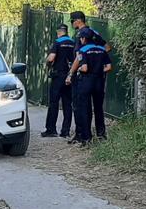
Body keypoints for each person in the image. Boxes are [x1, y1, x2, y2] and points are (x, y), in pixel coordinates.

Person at [65, 11, 111, 140]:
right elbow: (107, 47)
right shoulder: (94, 33)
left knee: (81, 105)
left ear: (78, 21)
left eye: (73, 21)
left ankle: (83, 135)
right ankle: (100, 134)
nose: (72, 24)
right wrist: (98, 61)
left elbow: (79, 58)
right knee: (97, 106)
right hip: (98, 77)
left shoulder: (82, 35)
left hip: (83, 76)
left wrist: (71, 73)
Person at [41, 24, 76, 138]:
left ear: (58, 32)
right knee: (67, 104)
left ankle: (51, 129)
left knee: (54, 103)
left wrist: (47, 64)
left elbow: (51, 58)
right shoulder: (72, 42)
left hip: (58, 76)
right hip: (70, 76)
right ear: (66, 31)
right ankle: (65, 131)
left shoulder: (57, 42)